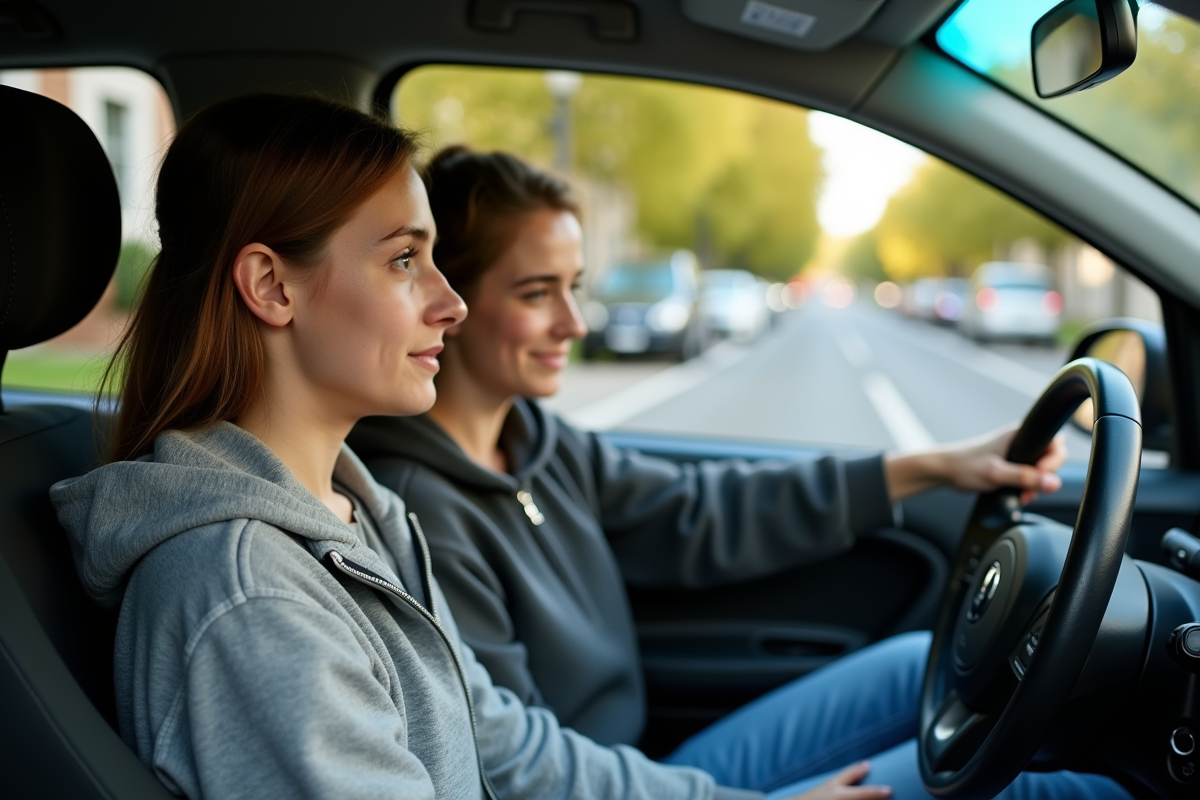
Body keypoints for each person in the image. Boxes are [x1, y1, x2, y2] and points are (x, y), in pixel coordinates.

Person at [50, 94, 887, 800]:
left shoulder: (354, 509)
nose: (450, 302)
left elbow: (500, 744)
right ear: (273, 287)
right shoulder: (248, 600)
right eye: (406, 259)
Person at [346, 146, 1131, 799]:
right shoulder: (420, 510)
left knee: (911, 665)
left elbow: (703, 506)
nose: (575, 325)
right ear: (449, 300)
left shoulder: (537, 441)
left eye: (574, 288)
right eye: (535, 293)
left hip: (648, 769)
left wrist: (935, 467)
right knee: (1036, 787)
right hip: (626, 787)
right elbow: (508, 765)